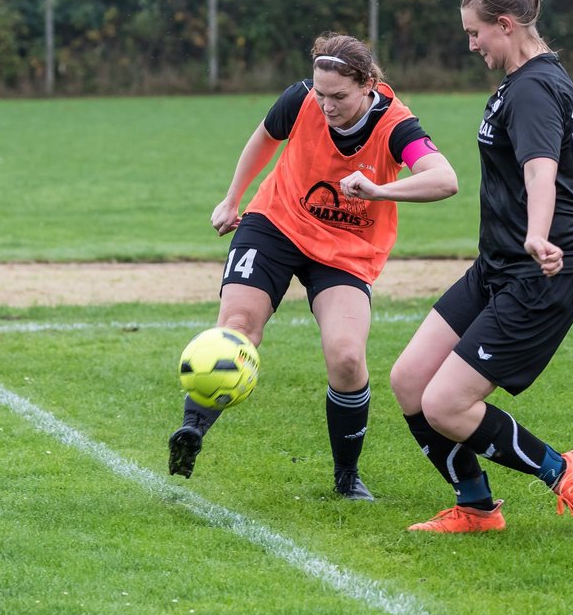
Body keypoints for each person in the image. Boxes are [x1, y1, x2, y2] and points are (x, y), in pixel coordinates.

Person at [168, 32, 458, 500]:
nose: (326, 105)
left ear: (368, 85)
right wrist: (232, 198)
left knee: (346, 357)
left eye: (338, 96)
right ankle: (191, 431)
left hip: (347, 248)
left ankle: (347, 477)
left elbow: (445, 179)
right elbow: (265, 137)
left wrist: (380, 191)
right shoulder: (301, 98)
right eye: (321, 94)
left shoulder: (396, 124)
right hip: (276, 223)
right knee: (238, 327)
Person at [389, 0, 573, 534]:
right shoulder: (525, 81)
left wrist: (538, 235)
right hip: (497, 267)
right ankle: (476, 508)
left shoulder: (536, 88)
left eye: (475, 33)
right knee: (410, 381)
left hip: (540, 273)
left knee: (445, 404)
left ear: (506, 25)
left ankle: (564, 472)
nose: (471, 45)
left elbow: (542, 170)